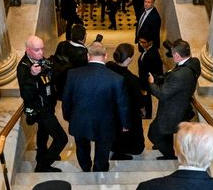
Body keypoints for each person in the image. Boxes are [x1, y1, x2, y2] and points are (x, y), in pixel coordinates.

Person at [62, 42, 130, 172]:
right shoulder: (117, 79)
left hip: (80, 120)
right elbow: (122, 105)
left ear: (88, 56)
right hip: (105, 123)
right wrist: (125, 123)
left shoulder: (73, 74)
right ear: (105, 56)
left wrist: (68, 116)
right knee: (103, 150)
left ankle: (85, 168)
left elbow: (66, 99)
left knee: (82, 147)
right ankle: (99, 169)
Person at [18, 35, 67, 173]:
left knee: (43, 132)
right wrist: (33, 76)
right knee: (61, 138)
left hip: (48, 105)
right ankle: (43, 165)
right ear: (28, 50)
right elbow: (26, 94)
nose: (41, 53)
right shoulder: (24, 68)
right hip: (41, 110)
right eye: (37, 50)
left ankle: (41, 155)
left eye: (42, 49)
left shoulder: (40, 60)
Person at [146, 39, 201, 160]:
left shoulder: (179, 75)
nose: (171, 56)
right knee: (167, 132)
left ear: (177, 55)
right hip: (181, 104)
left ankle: (170, 155)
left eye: (172, 53)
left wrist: (151, 83)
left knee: (153, 134)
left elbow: (161, 94)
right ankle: (167, 146)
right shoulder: (194, 62)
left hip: (172, 111)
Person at [108, 43, 145, 159]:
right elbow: (138, 101)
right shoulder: (132, 80)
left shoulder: (108, 67)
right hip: (127, 113)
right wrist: (143, 109)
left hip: (110, 110)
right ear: (129, 59)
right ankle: (122, 151)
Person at [52, 24, 89, 97]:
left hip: (59, 87)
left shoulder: (61, 45)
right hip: (74, 92)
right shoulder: (85, 54)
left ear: (72, 35)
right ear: (84, 36)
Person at [136, 37, 164, 120]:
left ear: (150, 42)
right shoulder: (146, 49)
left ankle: (147, 115)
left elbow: (157, 69)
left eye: (144, 42)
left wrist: (148, 80)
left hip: (148, 78)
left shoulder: (153, 54)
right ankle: (146, 114)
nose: (141, 44)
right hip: (143, 77)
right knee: (145, 96)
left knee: (146, 96)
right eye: (140, 42)